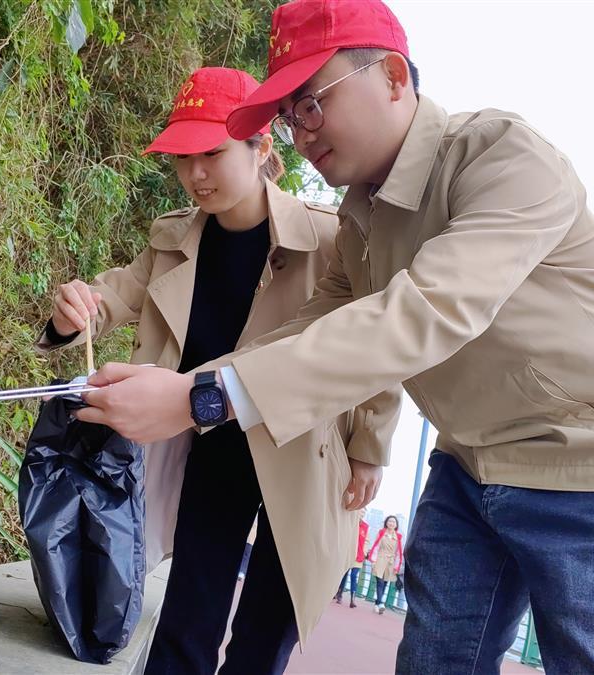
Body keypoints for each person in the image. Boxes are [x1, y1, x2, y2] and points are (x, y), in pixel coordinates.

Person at [75, 2, 594, 673]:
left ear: (393, 76)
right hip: (470, 466)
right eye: (287, 116)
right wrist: (193, 387)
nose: (300, 134)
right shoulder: (359, 218)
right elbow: (318, 325)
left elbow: (423, 310)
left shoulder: (502, 153)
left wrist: (200, 400)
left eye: (311, 104)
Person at [38, 66, 395, 674]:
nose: (195, 173)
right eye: (182, 157)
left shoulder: (330, 237)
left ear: (262, 147)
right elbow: (117, 295)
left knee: (265, 631)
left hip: (302, 449)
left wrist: (369, 448)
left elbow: (379, 343)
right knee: (187, 617)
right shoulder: (175, 238)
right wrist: (77, 309)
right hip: (211, 438)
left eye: (211, 152)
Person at [366, 516, 402, 614]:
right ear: (386, 523)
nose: (391, 523)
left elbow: (399, 553)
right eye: (390, 521)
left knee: (385, 583)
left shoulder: (398, 536)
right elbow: (376, 546)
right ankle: (381, 603)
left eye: (393, 522)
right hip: (380, 559)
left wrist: (396, 566)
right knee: (380, 582)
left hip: (390, 562)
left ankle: (377, 604)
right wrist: (373, 561)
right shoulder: (381, 532)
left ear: (396, 525)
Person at [335, 508, 368, 607]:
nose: (361, 514)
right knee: (343, 574)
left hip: (359, 555)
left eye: (363, 512)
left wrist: (365, 552)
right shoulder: (350, 522)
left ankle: (352, 599)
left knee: (354, 576)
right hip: (347, 553)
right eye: (360, 511)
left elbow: (366, 540)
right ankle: (339, 594)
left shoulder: (365, 527)